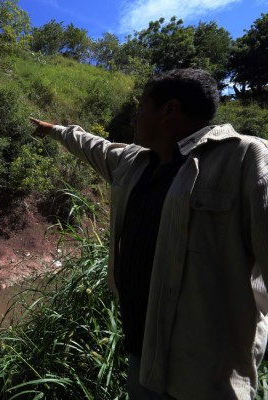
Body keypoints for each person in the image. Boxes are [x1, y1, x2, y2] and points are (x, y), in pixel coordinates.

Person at [30, 68, 268, 400]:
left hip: (207, 379)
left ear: (169, 111)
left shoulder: (246, 159)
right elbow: (92, 146)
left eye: (142, 107)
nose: (136, 117)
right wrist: (56, 131)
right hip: (143, 358)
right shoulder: (134, 162)